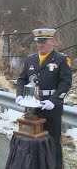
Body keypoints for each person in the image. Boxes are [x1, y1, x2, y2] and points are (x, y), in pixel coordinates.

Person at [16, 28, 72, 169]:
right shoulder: (30, 59)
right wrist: (19, 95)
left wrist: (53, 101)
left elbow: (65, 84)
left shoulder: (61, 59)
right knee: (31, 141)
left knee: (52, 142)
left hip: (51, 108)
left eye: (44, 42)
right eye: (38, 42)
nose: (40, 45)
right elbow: (22, 79)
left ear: (52, 41)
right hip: (32, 108)